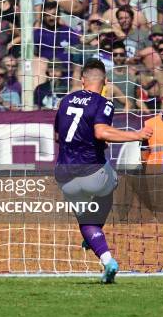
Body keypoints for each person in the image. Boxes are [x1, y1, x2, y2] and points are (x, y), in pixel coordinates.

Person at [54, 59, 153, 284]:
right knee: (113, 181)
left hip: (65, 175)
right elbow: (101, 132)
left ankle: (107, 259)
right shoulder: (104, 103)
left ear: (82, 81)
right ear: (105, 82)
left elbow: (58, 137)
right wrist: (135, 135)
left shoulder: (65, 100)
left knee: (84, 220)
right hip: (93, 173)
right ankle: (96, 229)